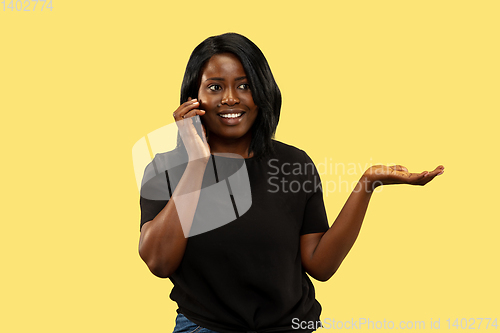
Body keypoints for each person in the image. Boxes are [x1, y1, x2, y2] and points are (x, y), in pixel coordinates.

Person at [138, 33, 444, 333]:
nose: (231, 98)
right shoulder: (166, 168)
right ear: (194, 98)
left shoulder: (294, 164)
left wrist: (369, 182)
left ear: (262, 92)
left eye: (244, 85)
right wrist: (197, 164)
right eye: (216, 87)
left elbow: (320, 265)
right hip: (205, 327)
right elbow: (158, 262)